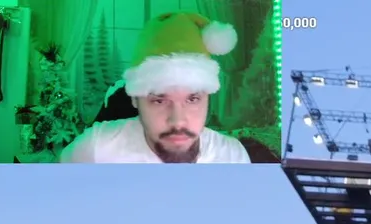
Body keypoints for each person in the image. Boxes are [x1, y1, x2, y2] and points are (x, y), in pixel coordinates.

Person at [59, 12, 250, 164]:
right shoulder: (96, 149)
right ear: (135, 99)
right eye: (159, 100)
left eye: (192, 99)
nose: (178, 121)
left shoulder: (232, 158)